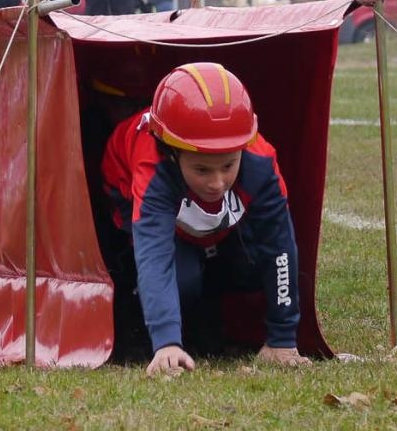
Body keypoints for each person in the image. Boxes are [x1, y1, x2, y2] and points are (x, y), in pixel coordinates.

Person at [100, 62, 310, 378]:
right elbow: (155, 256)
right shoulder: (152, 168)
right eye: (202, 169)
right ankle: (139, 314)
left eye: (228, 165)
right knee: (182, 278)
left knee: (251, 266)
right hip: (126, 192)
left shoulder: (261, 163)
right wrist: (166, 342)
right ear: (172, 154)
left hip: (207, 227)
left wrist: (282, 337)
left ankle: (208, 296)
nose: (216, 183)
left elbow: (280, 248)